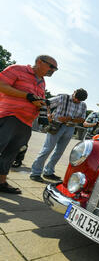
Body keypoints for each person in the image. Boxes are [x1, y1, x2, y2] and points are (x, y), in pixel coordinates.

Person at [0, 55, 57, 194]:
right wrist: (27, 96)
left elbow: (35, 99)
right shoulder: (17, 69)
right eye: (51, 66)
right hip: (9, 115)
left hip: (26, 122)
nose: (53, 70)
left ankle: (1, 182)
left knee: (11, 153)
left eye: (55, 69)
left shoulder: (42, 82)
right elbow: (1, 85)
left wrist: (42, 105)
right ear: (39, 62)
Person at [30, 89, 88, 182]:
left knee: (59, 152)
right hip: (56, 125)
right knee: (47, 149)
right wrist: (48, 114)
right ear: (73, 92)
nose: (77, 101)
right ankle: (35, 173)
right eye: (76, 98)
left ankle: (48, 172)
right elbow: (47, 103)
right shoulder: (63, 97)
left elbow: (82, 119)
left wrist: (71, 119)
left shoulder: (83, 105)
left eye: (79, 100)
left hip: (70, 128)